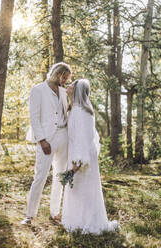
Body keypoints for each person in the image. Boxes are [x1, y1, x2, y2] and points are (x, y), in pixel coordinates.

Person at [61, 79, 119, 234]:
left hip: (82, 156)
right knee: (78, 189)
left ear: (77, 90)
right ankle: (78, 221)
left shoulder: (82, 112)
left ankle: (87, 223)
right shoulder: (77, 108)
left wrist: (77, 164)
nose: (69, 85)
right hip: (78, 153)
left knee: (84, 189)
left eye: (73, 84)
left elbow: (84, 138)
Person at [21, 62, 72, 225]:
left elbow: (67, 113)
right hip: (46, 139)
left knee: (60, 177)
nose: (65, 81)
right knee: (40, 176)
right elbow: (34, 117)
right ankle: (30, 215)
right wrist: (41, 140)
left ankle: (55, 213)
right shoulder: (38, 90)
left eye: (67, 78)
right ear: (57, 74)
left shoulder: (64, 93)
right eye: (64, 77)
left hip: (64, 136)